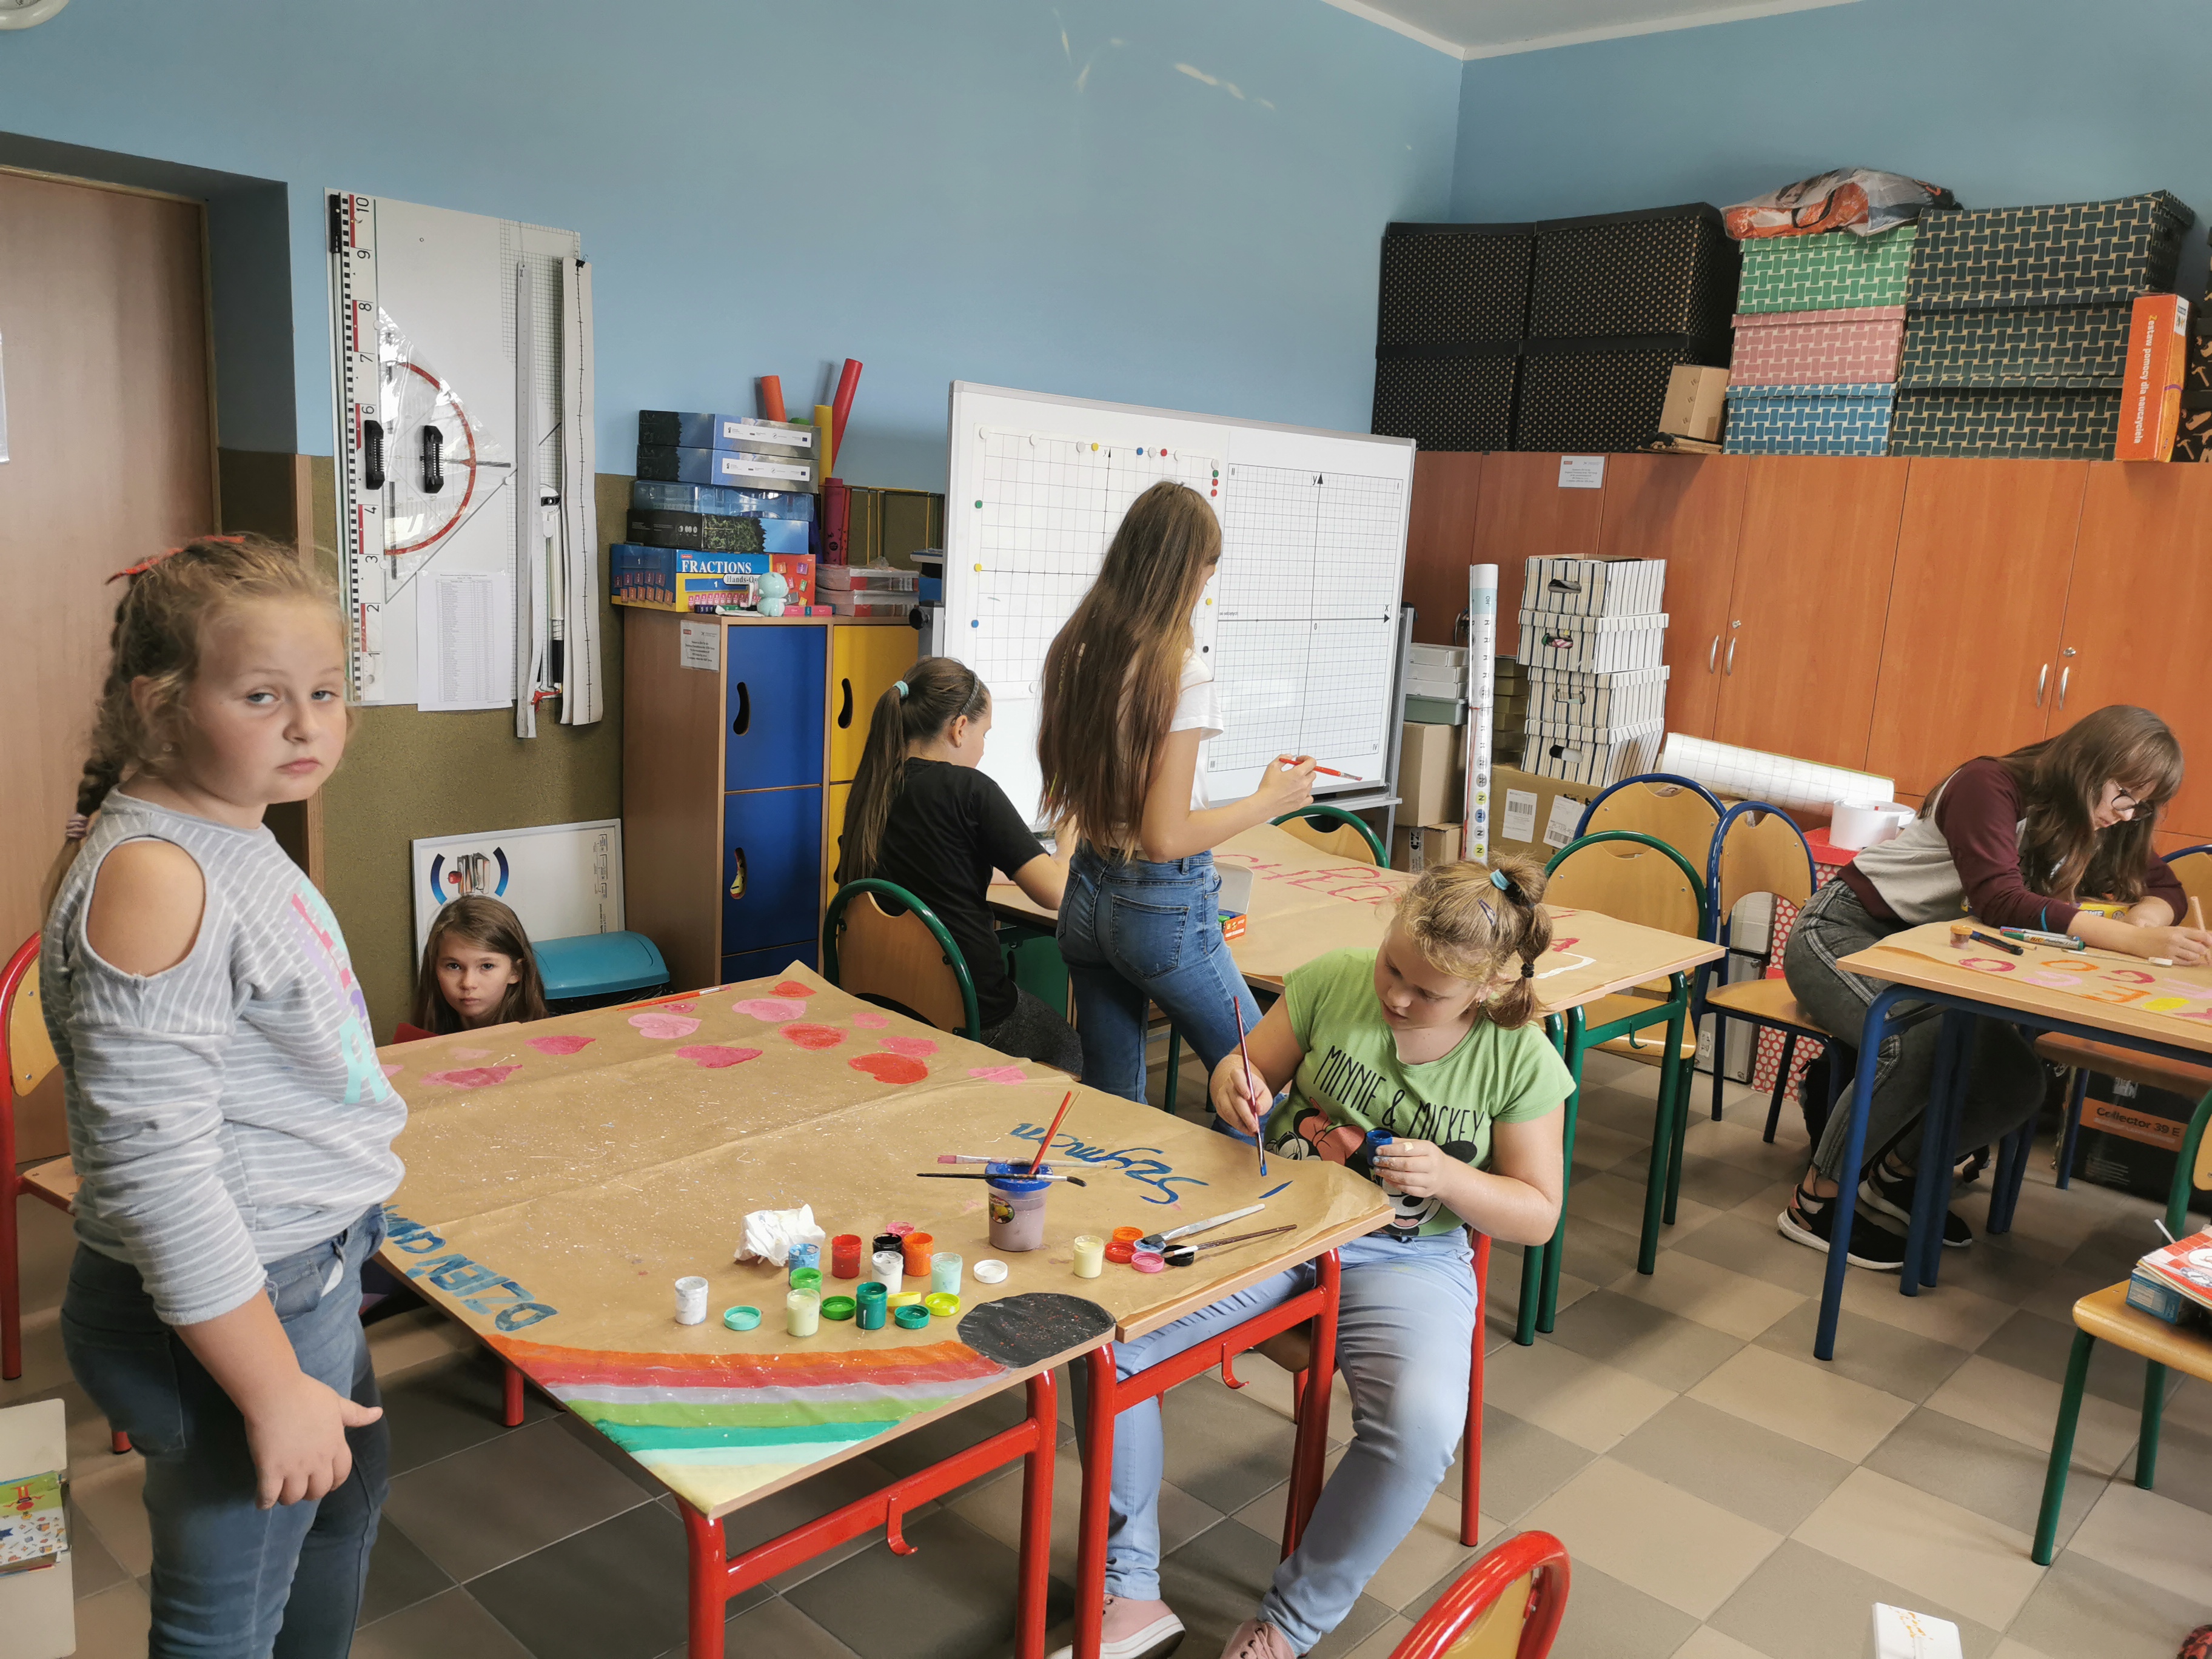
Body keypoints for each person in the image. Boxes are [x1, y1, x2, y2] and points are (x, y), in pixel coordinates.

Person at [1055, 859, 1570, 1659]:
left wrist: (1452, 1179)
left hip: (1408, 1257)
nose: (1398, 998)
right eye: (1393, 967)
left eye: (1428, 993)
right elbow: (1246, 1069)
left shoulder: (1519, 1056)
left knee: (1421, 1427)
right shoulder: (1334, 978)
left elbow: (1538, 1214)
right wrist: (1235, 1085)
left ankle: (1287, 1628)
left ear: (1487, 988)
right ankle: (1129, 1587)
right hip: (1276, 1220)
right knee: (1110, 1340)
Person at [40, 535, 403, 1655]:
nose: (307, 726)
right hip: (236, 1302)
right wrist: (271, 1389)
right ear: (162, 705)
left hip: (302, 1270)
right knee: (224, 1621)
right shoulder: (158, 873)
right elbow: (157, 1175)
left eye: (326, 693)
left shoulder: (227, 827)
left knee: (342, 1505)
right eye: (261, 696)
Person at [1781, 706, 2210, 1269]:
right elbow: (1999, 900)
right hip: (1845, 934)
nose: (2125, 814)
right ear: (2089, 765)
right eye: (2124, 795)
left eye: (2141, 806)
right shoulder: (1990, 785)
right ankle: (1815, 1202)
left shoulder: (2098, 815)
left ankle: (1897, 1175)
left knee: (2015, 1082)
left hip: (1933, 957)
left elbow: (2164, 887)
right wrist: (2127, 940)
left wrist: (2144, 922)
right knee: (1909, 1044)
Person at [1036, 480, 1317, 1103]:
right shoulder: (1179, 675)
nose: (1207, 585)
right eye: (1208, 570)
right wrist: (1269, 801)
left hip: (1087, 895)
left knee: (1114, 1100)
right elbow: (1164, 838)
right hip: (1157, 906)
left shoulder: (1077, 649)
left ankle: (1128, 1172)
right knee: (1264, 1084)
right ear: (1191, 570)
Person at [835, 655, 1082, 1073]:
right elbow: (1057, 893)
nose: (984, 748)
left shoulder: (874, 785)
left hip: (884, 1001)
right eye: (985, 734)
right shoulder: (970, 789)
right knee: (1070, 1049)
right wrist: (1068, 841)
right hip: (967, 1013)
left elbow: (940, 867)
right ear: (960, 728)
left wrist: (1011, 871)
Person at [401, 894, 549, 1039]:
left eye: (487, 966)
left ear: (515, 972)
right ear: (434, 968)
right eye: (454, 966)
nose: (468, 984)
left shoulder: (541, 1040)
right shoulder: (420, 1038)